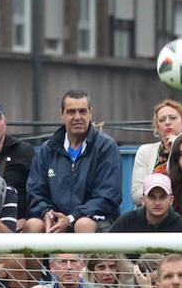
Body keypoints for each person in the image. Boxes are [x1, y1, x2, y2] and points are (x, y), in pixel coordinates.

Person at [25, 90, 122, 233]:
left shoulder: (106, 147)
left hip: (94, 220)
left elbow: (108, 197)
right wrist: (47, 213)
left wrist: (72, 217)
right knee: (33, 224)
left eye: (82, 111)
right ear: (61, 114)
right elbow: (35, 192)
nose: (77, 117)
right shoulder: (48, 149)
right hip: (56, 220)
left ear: (91, 113)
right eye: (71, 112)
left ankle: (72, 255)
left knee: (83, 224)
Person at [130, 99, 182, 205]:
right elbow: (137, 195)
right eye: (162, 120)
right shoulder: (145, 152)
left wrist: (176, 149)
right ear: (157, 127)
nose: (167, 122)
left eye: (173, 118)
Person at [112, 173, 182, 233]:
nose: (157, 203)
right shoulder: (125, 223)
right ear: (143, 200)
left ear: (171, 200)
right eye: (152, 197)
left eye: (162, 197)